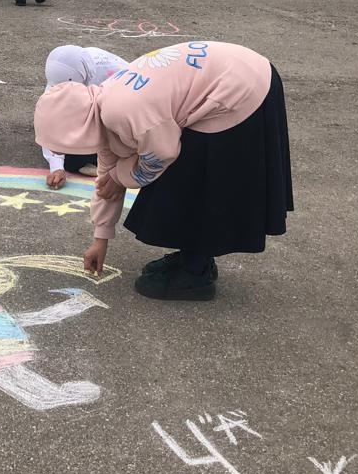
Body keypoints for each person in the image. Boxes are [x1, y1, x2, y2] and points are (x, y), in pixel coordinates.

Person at [34, 42, 293, 302]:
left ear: (76, 128)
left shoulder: (121, 110)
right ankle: (193, 255)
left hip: (242, 87)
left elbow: (162, 155)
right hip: (233, 72)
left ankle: (195, 270)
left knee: (192, 175)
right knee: (183, 172)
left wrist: (120, 176)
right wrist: (100, 239)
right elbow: (106, 178)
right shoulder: (100, 108)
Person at [40, 46, 128, 189]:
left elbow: (134, 115)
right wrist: (56, 167)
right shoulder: (62, 78)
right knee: (71, 159)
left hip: (119, 118)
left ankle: (117, 161)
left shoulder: (118, 74)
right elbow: (50, 122)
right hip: (95, 115)